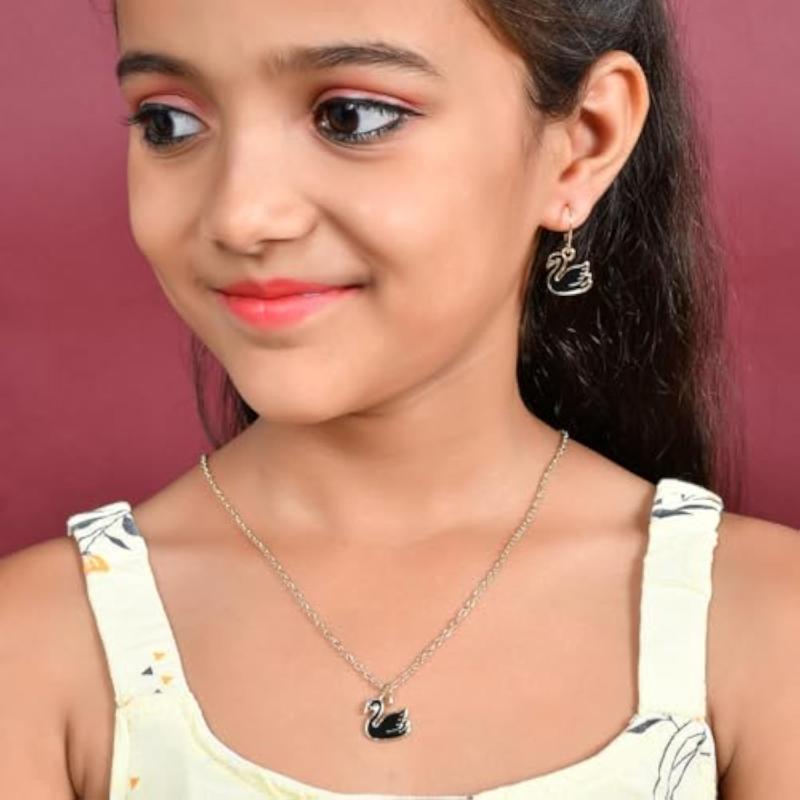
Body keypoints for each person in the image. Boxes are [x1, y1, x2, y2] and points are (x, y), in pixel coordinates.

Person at [1, 0, 798, 797]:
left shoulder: (763, 626)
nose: (240, 217)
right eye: (168, 123)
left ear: (583, 142)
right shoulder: (38, 649)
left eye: (351, 117)